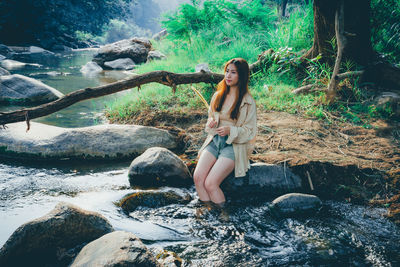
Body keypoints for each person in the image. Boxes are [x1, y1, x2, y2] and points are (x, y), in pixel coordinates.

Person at [193, 58, 257, 208]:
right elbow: (210, 118)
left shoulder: (248, 101)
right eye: (227, 71)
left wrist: (231, 130)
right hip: (215, 142)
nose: (228, 76)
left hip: (234, 146)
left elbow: (250, 131)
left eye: (233, 73)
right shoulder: (218, 96)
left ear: (241, 76)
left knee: (211, 183)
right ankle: (209, 211)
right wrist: (211, 123)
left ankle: (224, 216)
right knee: (198, 178)